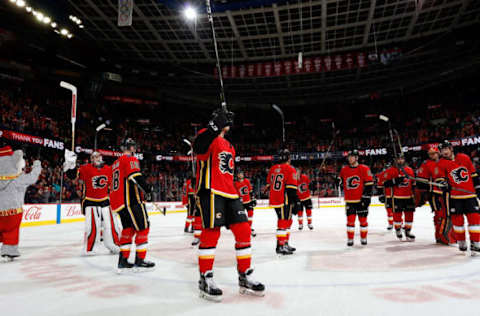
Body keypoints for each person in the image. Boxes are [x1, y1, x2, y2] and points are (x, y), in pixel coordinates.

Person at [193, 107, 265, 301]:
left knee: (243, 230)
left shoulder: (230, 145)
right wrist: (215, 125)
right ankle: (205, 277)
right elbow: (198, 147)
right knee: (211, 232)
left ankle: (245, 275)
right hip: (211, 190)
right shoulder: (207, 135)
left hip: (230, 192)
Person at [110, 138, 155, 272]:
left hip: (118, 203)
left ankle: (123, 261)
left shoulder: (115, 163)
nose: (135, 149)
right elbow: (135, 176)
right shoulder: (129, 159)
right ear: (130, 148)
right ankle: (140, 260)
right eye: (133, 147)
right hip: (130, 201)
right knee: (143, 227)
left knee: (128, 230)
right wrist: (148, 189)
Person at [64, 151, 120, 255]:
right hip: (91, 201)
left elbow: (114, 185)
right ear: (91, 159)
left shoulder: (108, 169)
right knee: (92, 227)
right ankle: (90, 248)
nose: (96, 158)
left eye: (98, 156)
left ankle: (115, 245)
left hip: (106, 201)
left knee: (111, 226)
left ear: (101, 157)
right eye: (93, 157)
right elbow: (72, 176)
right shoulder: (85, 168)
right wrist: (70, 164)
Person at [436, 140, 480, 254]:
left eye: (446, 149)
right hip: (454, 198)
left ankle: (475, 243)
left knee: (475, 220)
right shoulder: (441, 163)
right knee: (458, 222)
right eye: (442, 150)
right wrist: (443, 184)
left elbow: (473, 174)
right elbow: (440, 179)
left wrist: (478, 188)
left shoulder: (464, 158)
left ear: (451, 148)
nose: (444, 152)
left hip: (470, 195)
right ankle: (461, 242)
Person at [416, 145, 455, 244]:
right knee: (439, 215)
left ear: (438, 153)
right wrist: (426, 186)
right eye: (430, 154)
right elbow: (420, 181)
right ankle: (440, 236)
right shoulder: (426, 164)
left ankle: (450, 236)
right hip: (435, 194)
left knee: (450, 214)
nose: (432, 155)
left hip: (449, 193)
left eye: (434, 153)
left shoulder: (445, 161)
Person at [266, 149, 298, 255]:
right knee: (283, 222)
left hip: (274, 199)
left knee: (287, 221)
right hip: (284, 199)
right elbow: (291, 189)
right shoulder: (290, 169)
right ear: (289, 158)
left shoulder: (273, 168)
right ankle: (281, 246)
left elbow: (268, 185)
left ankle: (285, 243)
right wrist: (295, 202)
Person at [339, 150, 373, 246]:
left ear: (357, 158)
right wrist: (336, 180)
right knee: (350, 221)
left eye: (352, 156)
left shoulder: (364, 168)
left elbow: (369, 184)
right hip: (350, 200)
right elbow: (341, 181)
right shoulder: (344, 169)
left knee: (363, 221)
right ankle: (350, 239)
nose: (350, 158)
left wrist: (366, 197)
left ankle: (363, 238)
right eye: (349, 157)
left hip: (361, 199)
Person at [383, 154, 416, 241]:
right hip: (397, 197)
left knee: (409, 216)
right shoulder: (391, 171)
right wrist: (395, 181)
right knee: (397, 216)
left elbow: (413, 184)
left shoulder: (409, 170)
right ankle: (398, 229)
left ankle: (408, 231)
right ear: (395, 160)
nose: (400, 161)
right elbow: (385, 184)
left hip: (409, 197)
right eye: (398, 159)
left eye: (401, 159)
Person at [234, 171, 257, 237]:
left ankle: (249, 228)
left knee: (250, 214)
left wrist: (253, 198)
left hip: (248, 201)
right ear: (237, 175)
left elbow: (250, 190)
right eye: (239, 174)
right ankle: (243, 228)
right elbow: (235, 193)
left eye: (241, 174)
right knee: (241, 217)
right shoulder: (235, 183)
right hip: (240, 203)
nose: (240, 175)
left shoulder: (246, 181)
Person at [376, 164, 394, 230]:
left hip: (396, 195)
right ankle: (391, 223)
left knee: (397, 211)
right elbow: (379, 186)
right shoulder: (382, 174)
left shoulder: (396, 172)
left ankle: (399, 223)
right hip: (388, 196)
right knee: (389, 210)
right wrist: (381, 194)